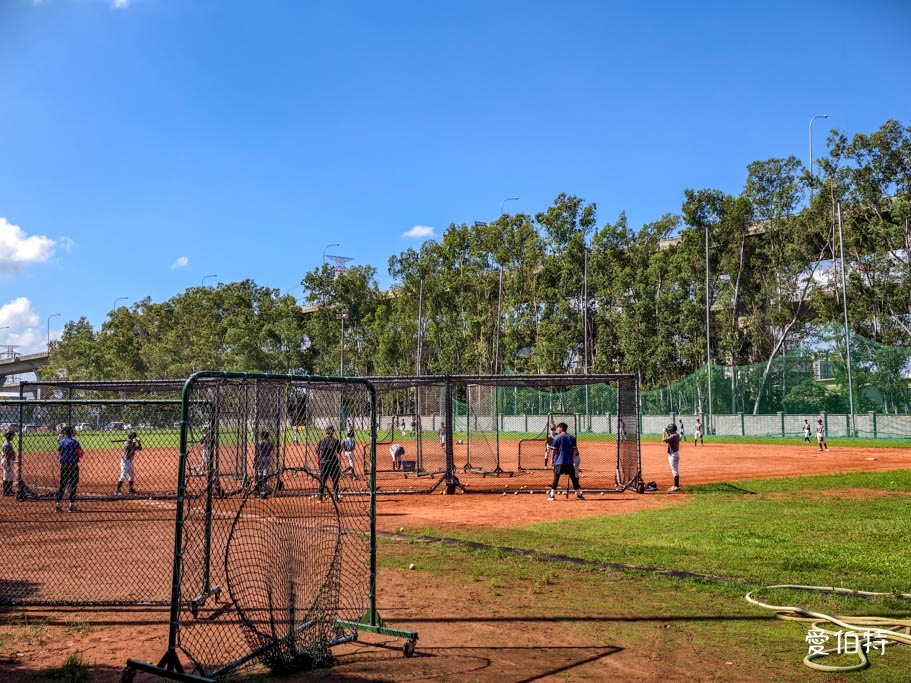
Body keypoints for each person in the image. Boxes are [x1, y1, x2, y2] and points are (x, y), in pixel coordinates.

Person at [546, 422, 584, 501]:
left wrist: (552, 460)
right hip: (569, 462)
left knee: (556, 478)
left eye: (558, 428)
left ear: (561, 428)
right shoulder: (572, 438)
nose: (557, 429)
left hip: (559, 462)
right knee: (574, 479)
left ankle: (552, 496)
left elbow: (554, 451)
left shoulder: (557, 438)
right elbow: (574, 450)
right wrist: (571, 457)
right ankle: (579, 495)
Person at [56, 426, 84, 512]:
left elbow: (59, 451)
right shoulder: (75, 442)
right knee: (73, 485)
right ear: (71, 432)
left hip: (64, 465)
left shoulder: (61, 442)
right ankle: (71, 506)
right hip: (73, 466)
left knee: (62, 485)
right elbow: (81, 454)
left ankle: (58, 505)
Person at [315, 425, 342, 502]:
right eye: (333, 431)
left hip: (324, 463)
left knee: (323, 480)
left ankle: (320, 497)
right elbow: (339, 452)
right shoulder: (335, 441)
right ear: (331, 432)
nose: (333, 432)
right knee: (335, 480)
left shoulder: (321, 441)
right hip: (333, 463)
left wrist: (320, 461)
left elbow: (317, 452)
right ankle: (336, 497)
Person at [253, 430, 274, 497]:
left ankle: (259, 486)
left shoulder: (259, 442)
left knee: (259, 472)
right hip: (267, 458)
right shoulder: (270, 443)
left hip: (260, 458)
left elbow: (256, 452)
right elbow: (271, 449)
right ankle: (263, 485)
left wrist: (255, 460)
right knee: (265, 472)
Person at [662, 422, 681, 492]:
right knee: (675, 470)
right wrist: (667, 431)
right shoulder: (677, 435)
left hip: (673, 455)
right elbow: (670, 436)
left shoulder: (673, 436)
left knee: (674, 470)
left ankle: (676, 486)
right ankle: (676, 485)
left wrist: (664, 432)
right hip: (675, 454)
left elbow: (664, 440)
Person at [2, 430, 16, 496]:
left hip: (8, 461)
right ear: (8, 436)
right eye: (12, 435)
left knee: (9, 476)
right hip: (7, 461)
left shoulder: (7, 443)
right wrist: (8, 465)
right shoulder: (7, 444)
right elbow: (7, 456)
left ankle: (9, 490)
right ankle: (6, 491)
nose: (13, 437)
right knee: (7, 476)